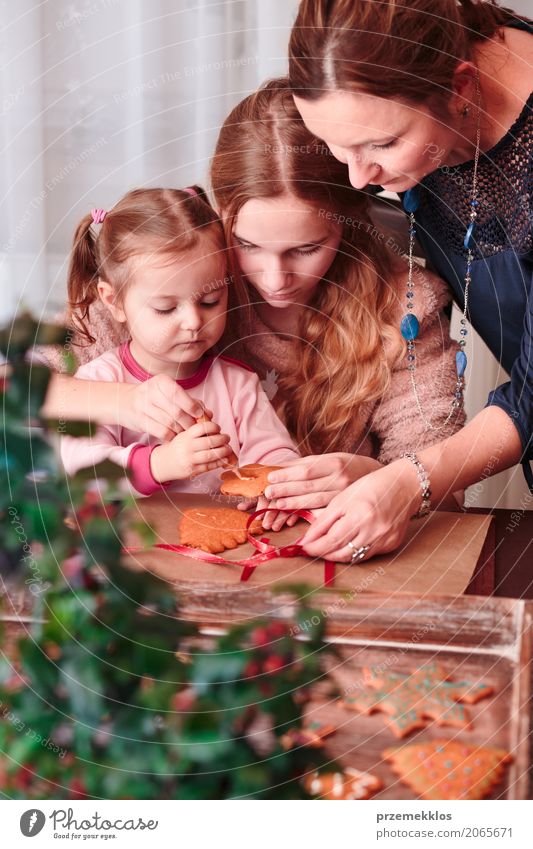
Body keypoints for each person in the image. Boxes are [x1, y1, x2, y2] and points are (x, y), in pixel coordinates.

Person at [275, 0, 533, 562]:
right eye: (337, 146)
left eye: (382, 146)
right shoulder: (428, 56)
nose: (358, 178)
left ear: (462, 87)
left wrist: (407, 481)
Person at [210, 78, 465, 532]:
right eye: (247, 244)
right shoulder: (177, 277)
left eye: (305, 249)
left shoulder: (406, 310)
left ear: (348, 226)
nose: (275, 279)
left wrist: (379, 479)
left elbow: (441, 482)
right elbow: (45, 388)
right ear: (221, 212)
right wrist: (127, 399)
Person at [59, 187, 299, 496]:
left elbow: (276, 455)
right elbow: (84, 470)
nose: (193, 322)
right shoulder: (99, 383)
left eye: (210, 301)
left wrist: (273, 486)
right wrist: (161, 464)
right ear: (114, 301)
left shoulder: (238, 384)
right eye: (166, 308)